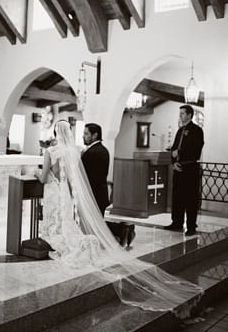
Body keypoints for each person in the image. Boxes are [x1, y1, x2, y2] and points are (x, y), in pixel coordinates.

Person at [35, 120, 201, 314]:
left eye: (87, 133)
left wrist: (37, 172)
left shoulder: (52, 151)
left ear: (55, 132)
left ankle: (119, 230)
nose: (83, 136)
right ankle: (120, 230)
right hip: (72, 192)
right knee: (71, 221)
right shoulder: (75, 152)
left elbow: (46, 177)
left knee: (59, 221)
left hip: (58, 192)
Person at [82, 123, 135, 246]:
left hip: (93, 191)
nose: (83, 136)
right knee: (99, 219)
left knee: (97, 219)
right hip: (101, 189)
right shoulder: (103, 149)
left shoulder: (91, 152)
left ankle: (124, 229)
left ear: (95, 135)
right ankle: (124, 229)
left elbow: (84, 174)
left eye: (86, 134)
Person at [164, 105, 204, 236]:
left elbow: (195, 149)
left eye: (182, 113)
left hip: (190, 169)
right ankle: (177, 222)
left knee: (190, 198)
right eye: (180, 113)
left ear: (189, 115)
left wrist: (179, 152)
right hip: (178, 168)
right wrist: (174, 162)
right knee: (178, 197)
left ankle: (191, 226)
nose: (180, 116)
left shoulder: (197, 130)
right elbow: (174, 149)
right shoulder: (180, 130)